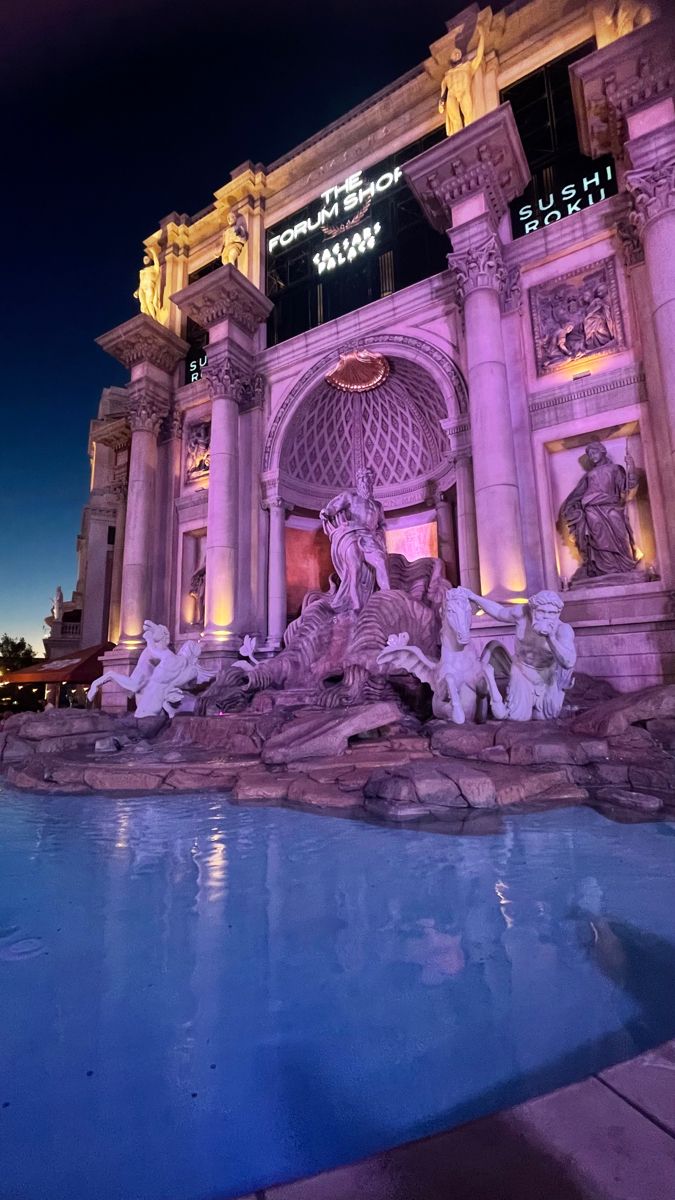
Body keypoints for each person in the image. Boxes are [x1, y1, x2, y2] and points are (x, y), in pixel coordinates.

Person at [463, 589, 577, 720]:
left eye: (551, 613)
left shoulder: (563, 630)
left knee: (543, 718)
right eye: (541, 612)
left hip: (546, 676)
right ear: (533, 610)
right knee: (516, 718)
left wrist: (551, 638)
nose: (546, 616)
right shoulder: (522, 613)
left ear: (557, 614)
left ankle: (558, 703)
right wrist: (474, 597)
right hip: (522, 670)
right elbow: (499, 612)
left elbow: (569, 662)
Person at [559, 440, 638, 580]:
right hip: (591, 509)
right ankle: (605, 569)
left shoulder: (615, 469)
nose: (592, 456)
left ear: (603, 451)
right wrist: (571, 507)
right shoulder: (589, 475)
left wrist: (631, 466)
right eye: (589, 454)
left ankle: (624, 566)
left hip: (611, 507)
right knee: (598, 538)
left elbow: (626, 487)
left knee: (621, 535)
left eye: (594, 452)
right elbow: (578, 494)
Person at [320, 467, 390, 611]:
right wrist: (326, 512)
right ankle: (357, 607)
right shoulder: (350, 497)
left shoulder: (377, 505)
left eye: (367, 479)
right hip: (351, 535)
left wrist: (379, 535)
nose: (365, 482)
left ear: (372, 483)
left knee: (381, 562)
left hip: (369, 537)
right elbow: (333, 508)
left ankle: (389, 599)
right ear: (358, 482)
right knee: (355, 570)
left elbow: (382, 524)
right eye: (362, 479)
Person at [438, 23, 485, 137]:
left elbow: (479, 56)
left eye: (458, 53)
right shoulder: (447, 75)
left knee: (469, 117)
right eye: (454, 53)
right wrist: (441, 101)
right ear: (451, 58)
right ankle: (458, 142)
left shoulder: (468, 67)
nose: (457, 53)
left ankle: (471, 138)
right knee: (456, 122)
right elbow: (444, 90)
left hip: (464, 92)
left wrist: (482, 36)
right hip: (452, 95)